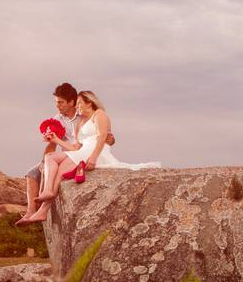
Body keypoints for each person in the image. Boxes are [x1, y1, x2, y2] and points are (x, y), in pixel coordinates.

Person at [24, 90, 160, 223]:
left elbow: (102, 137)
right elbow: (75, 147)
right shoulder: (81, 122)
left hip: (96, 150)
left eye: (79, 103)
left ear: (89, 103)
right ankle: (48, 192)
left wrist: (94, 157)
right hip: (82, 151)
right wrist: (55, 139)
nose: (77, 107)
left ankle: (43, 209)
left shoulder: (99, 114)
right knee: (50, 157)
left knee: (60, 172)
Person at [15, 83, 114, 226]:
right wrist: (45, 158)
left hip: (80, 152)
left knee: (58, 171)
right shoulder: (58, 119)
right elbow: (54, 145)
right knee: (32, 173)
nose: (57, 106)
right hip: (69, 151)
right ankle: (31, 211)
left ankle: (43, 207)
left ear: (72, 102)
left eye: (60, 102)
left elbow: (104, 135)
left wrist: (108, 140)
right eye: (56, 102)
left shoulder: (84, 116)